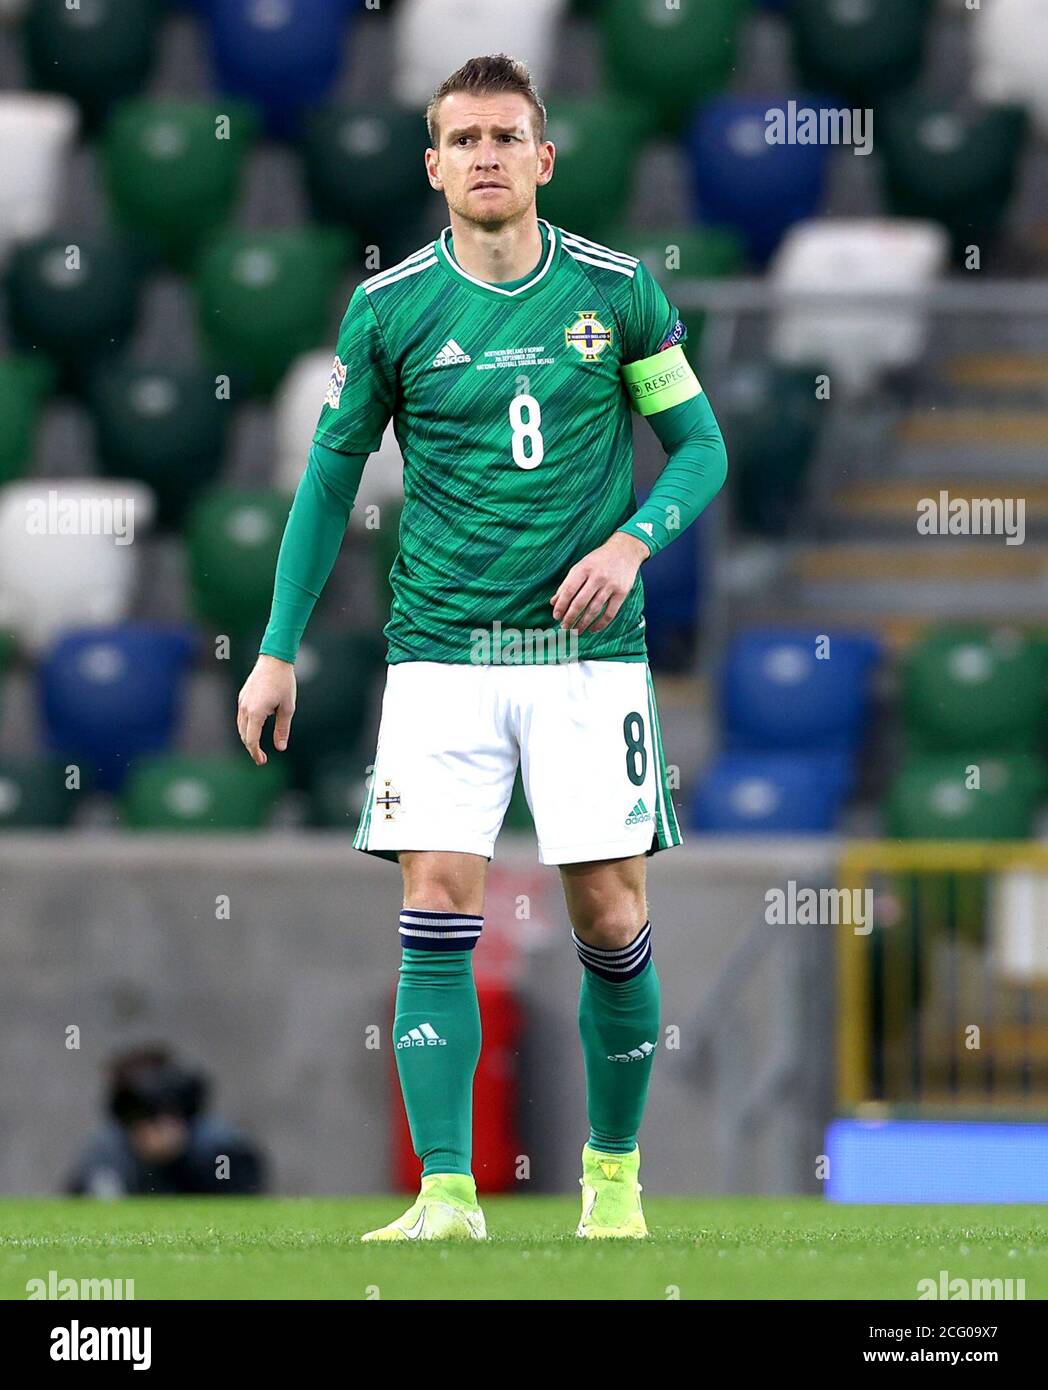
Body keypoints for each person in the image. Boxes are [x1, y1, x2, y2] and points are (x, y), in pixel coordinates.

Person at [237, 54, 727, 1240]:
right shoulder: (389, 306)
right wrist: (275, 647)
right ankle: (447, 1192)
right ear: (433, 164)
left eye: (507, 136)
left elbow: (702, 448)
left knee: (609, 914)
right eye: (463, 140)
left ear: (545, 158)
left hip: (585, 661)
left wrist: (631, 544)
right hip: (442, 656)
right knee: (436, 900)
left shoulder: (618, 294)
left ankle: (611, 1179)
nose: (487, 156)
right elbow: (328, 480)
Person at [66, 1044, 266, 1197]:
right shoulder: (109, 1152)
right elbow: (83, 1202)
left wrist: (176, 1158)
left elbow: (244, 1199)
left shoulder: (217, 1148)